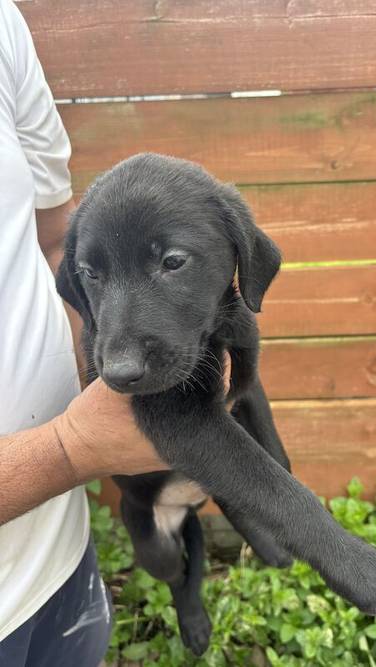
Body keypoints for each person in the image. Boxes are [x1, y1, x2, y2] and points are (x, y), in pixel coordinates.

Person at [0, 2, 229, 664]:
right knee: (158, 541)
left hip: (57, 562)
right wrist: (71, 449)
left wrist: (110, 370)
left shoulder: (4, 25)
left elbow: (54, 248)